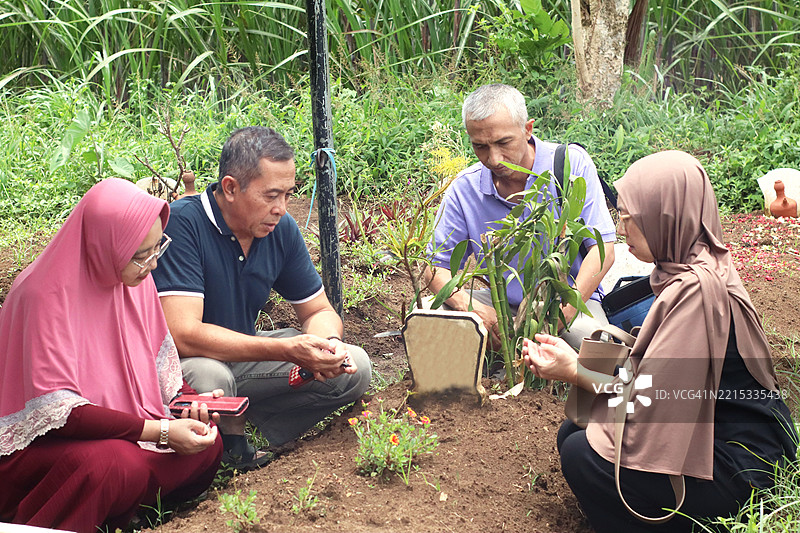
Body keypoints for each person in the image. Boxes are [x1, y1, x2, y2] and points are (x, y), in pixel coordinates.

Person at [523, 151, 797, 532]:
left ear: (664, 218)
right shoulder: (697, 261)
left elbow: (655, 399)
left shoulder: (696, 293)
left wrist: (575, 371)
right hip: (717, 429)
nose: (621, 230)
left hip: (743, 468)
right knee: (578, 429)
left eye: (628, 217)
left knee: (582, 455)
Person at [0, 179, 223, 533]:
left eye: (158, 248)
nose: (153, 264)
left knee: (208, 440)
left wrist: (189, 404)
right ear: (103, 245)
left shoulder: (134, 281)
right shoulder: (42, 296)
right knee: (113, 465)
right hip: (46, 445)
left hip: (130, 431)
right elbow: (62, 415)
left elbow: (159, 375)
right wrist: (162, 432)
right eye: (141, 255)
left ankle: (130, 507)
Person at [152, 126, 371, 469]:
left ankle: (255, 424)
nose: (281, 208)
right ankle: (227, 450)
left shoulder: (279, 229)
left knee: (354, 367)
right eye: (271, 196)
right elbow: (183, 334)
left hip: (241, 357)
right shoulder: (183, 224)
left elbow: (317, 309)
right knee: (212, 376)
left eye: (288, 194)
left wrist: (327, 344)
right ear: (230, 188)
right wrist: (286, 349)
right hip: (180, 365)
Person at [425, 84, 616, 350]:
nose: (494, 159)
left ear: (528, 129)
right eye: (480, 146)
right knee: (428, 320)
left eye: (503, 143)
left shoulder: (569, 165)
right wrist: (469, 307)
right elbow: (435, 266)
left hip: (566, 300)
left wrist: (560, 315)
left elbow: (602, 251)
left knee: (596, 349)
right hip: (500, 303)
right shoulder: (465, 188)